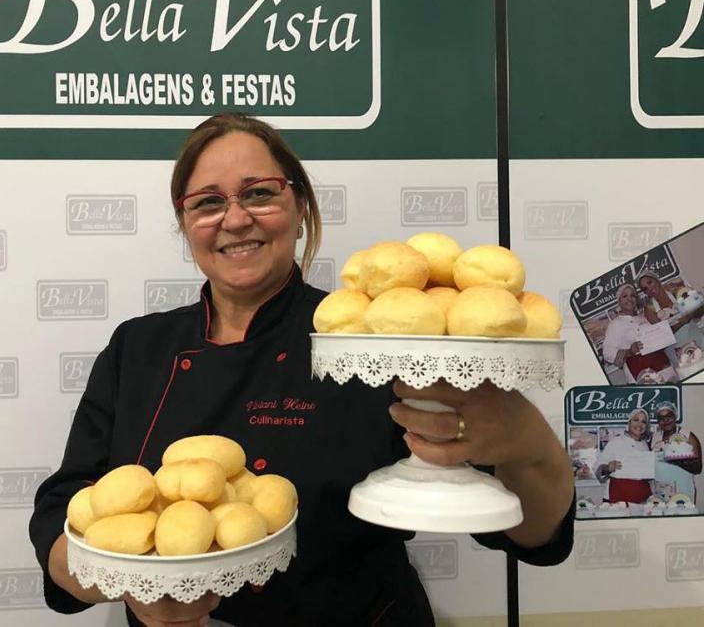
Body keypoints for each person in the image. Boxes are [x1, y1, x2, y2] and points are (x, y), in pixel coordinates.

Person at [29, 113, 575, 627]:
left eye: (259, 193)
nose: (236, 218)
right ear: (185, 222)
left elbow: (531, 532)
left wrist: (527, 443)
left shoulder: (368, 335)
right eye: (207, 202)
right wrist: (124, 581)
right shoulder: (139, 347)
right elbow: (64, 506)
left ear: (301, 207)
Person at [601, 283, 678, 384]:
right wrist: (629, 351)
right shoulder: (615, 325)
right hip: (640, 371)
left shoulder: (644, 316)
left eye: (632, 295)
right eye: (625, 296)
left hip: (663, 365)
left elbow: (661, 335)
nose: (630, 299)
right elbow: (607, 352)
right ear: (619, 302)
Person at [637, 270, 704, 371]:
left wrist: (698, 303)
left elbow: (699, 311)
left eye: (650, 282)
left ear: (656, 279)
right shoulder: (649, 308)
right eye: (645, 289)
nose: (649, 288)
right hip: (677, 352)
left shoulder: (677, 291)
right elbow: (663, 333)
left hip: (696, 339)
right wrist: (682, 321)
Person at [595, 408, 653, 504]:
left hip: (641, 496)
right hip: (618, 494)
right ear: (629, 422)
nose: (639, 424)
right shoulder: (615, 442)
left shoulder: (645, 445)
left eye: (643, 422)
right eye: (636, 420)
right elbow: (598, 469)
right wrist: (608, 468)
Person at [651, 401, 702, 503]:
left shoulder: (688, 436)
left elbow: (698, 468)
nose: (665, 420)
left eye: (669, 416)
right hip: (660, 491)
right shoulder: (655, 437)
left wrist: (675, 460)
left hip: (682, 490)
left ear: (675, 417)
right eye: (661, 418)